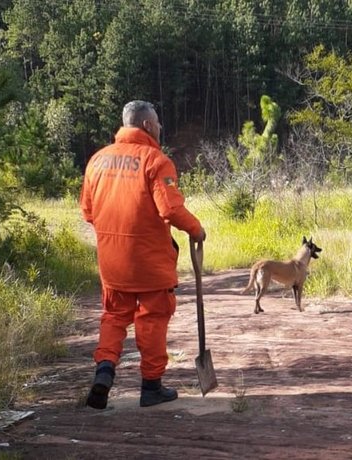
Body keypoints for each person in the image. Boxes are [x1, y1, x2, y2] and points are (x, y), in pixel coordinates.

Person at [80, 100, 206, 409]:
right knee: (152, 319)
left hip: (113, 263)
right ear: (148, 126)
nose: (161, 128)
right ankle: (151, 386)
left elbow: (88, 212)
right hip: (149, 264)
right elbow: (171, 209)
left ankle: (104, 372)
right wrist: (196, 230)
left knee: (114, 317)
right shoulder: (156, 161)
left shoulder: (97, 161)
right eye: (159, 123)